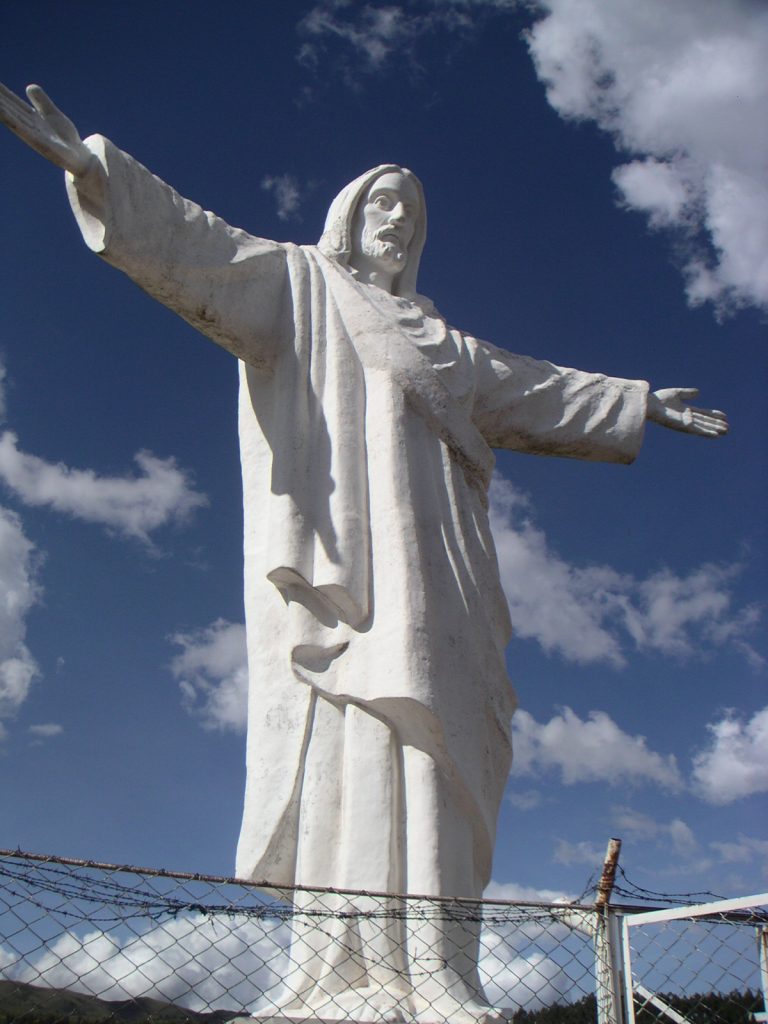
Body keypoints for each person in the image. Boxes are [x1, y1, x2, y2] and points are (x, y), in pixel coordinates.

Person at [0, 84, 727, 1024]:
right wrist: (96, 171)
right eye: (382, 203)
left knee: (444, 735)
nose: (397, 221)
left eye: (411, 214)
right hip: (356, 568)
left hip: (444, 564)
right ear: (349, 214)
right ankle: (344, 969)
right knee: (369, 720)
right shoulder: (302, 285)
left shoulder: (450, 349)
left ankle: (438, 971)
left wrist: (637, 403)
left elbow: (536, 388)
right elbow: (199, 247)